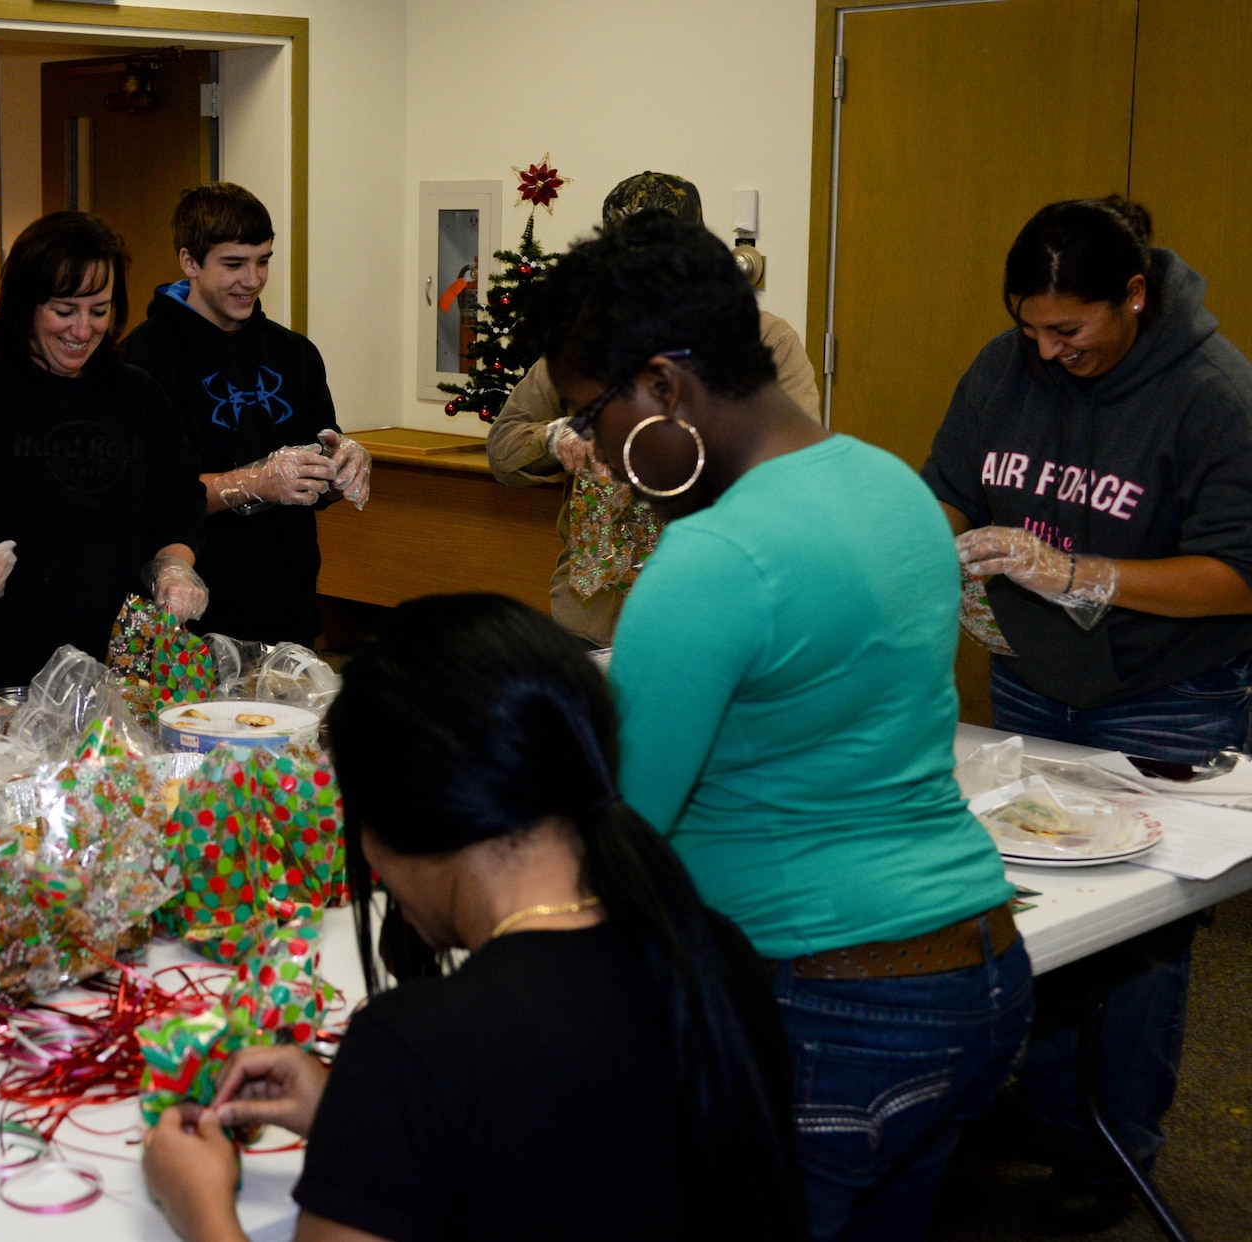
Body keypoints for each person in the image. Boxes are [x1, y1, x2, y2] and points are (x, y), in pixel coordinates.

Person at [524, 211, 1031, 1240]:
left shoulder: (712, 561)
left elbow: (622, 831)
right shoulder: (890, 487)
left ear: (663, 385)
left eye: (594, 413)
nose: (598, 451)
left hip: (826, 1005)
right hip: (976, 974)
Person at [141, 593, 803, 1242]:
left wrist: (201, 1210)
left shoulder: (419, 1045)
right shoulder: (713, 955)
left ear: (398, 816)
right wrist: (366, 1122)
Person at [921, 196, 1252, 1229]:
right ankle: (1048, 1103)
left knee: (1140, 928)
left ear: (1134, 296)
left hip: (1164, 698)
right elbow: (947, 488)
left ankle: (1111, 1146)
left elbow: (1236, 576)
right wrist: (941, 553)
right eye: (1030, 328)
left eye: (1069, 330)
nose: (1046, 350)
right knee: (1035, 895)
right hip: (1033, 677)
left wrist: (1083, 572)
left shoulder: (1212, 395)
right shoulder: (1001, 366)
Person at [0, 211, 208, 701]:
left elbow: (178, 500)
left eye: (99, 310)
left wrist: (176, 566)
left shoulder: (136, 394)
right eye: (64, 310)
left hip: (123, 659)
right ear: (25, 304)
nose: (83, 330)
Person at [487, 171, 820, 646]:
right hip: (593, 618)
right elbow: (503, 448)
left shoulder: (765, 342)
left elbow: (796, 472)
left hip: (714, 617)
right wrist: (556, 436)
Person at [121, 183, 371, 647]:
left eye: (263, 260)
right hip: (188, 610)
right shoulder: (143, 359)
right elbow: (147, 495)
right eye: (233, 264)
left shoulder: (294, 353)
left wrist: (338, 469)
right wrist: (257, 482)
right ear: (189, 262)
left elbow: (314, 469)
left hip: (286, 604)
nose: (252, 279)